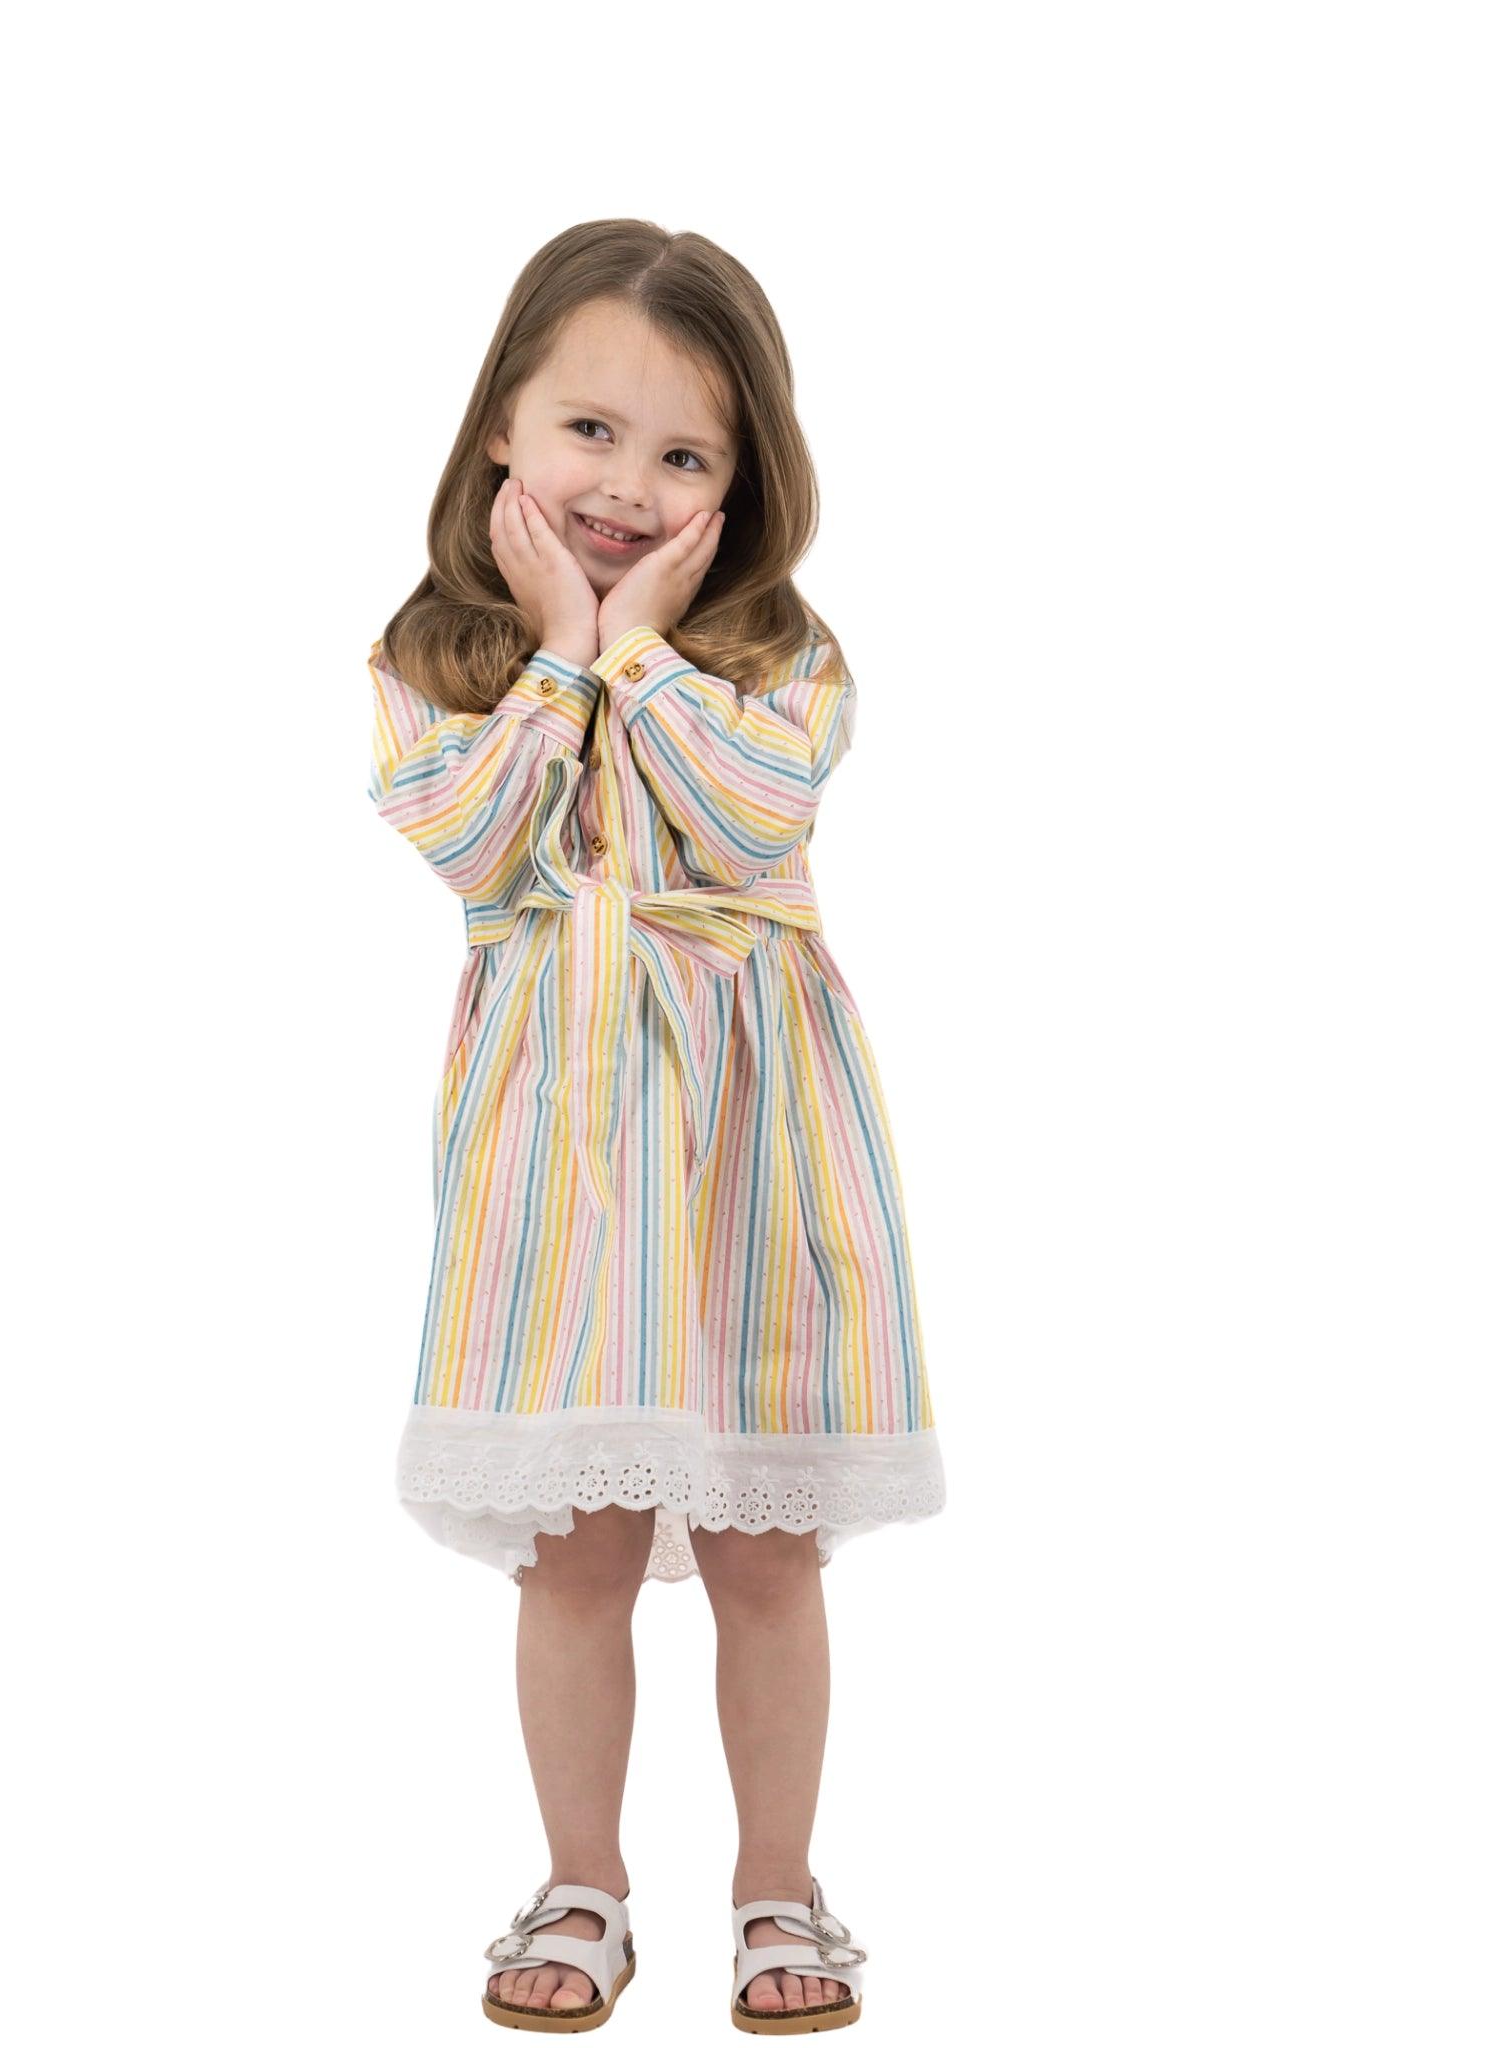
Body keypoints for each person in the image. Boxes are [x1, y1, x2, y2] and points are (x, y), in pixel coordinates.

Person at [365, 218, 946, 2033]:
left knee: (768, 1542)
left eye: (685, 455)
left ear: (744, 482)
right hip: (562, 1133)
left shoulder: (779, 657)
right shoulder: (436, 658)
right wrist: (553, 655)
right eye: (590, 434)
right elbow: (473, 843)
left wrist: (631, 656)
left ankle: (780, 1889)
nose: (627, 485)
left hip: (758, 1131)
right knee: (579, 1538)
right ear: (501, 437)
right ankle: (582, 1882)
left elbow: (752, 822)